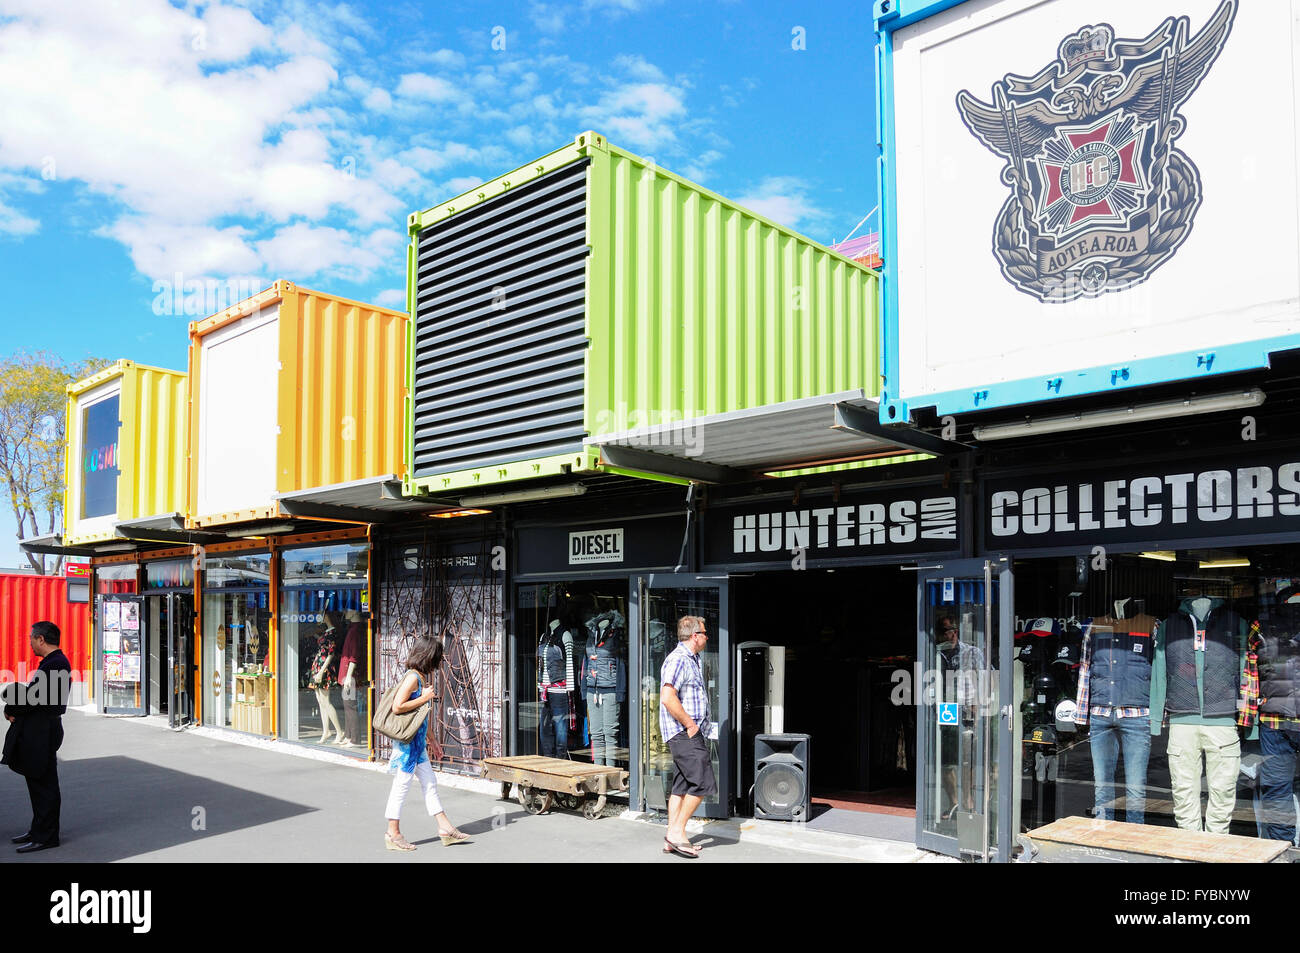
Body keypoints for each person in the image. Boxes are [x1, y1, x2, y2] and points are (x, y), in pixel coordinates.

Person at [383, 636, 470, 851]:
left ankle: (445, 828)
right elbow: (397, 706)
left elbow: (419, 716)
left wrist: (433, 741)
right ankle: (393, 833)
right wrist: (424, 697)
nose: (439, 662)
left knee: (429, 782)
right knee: (401, 785)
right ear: (429, 656)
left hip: (417, 744)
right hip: (408, 745)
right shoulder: (413, 677)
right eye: (437, 657)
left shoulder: (419, 677)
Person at [2, 621, 72, 853]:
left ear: (41, 639)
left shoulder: (56, 665)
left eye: (32, 638)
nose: (30, 642)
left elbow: (35, 699)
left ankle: (46, 836)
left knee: (44, 785)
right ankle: (38, 829)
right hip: (41, 730)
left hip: (43, 733)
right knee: (37, 782)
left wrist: (11, 707)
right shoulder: (53, 664)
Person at [658, 614, 715, 859]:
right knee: (703, 782)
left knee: (681, 785)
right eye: (704, 632)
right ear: (694, 636)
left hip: (688, 732)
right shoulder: (679, 659)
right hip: (683, 732)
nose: (707, 636)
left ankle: (672, 835)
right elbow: (667, 697)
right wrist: (690, 725)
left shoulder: (693, 659)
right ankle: (678, 832)